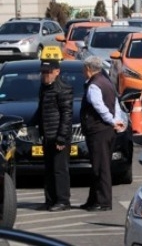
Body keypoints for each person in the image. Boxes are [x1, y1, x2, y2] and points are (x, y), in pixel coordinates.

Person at [80, 56, 125, 212]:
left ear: (88, 69)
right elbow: (116, 104)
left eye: (83, 69)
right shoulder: (107, 82)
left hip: (99, 130)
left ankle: (103, 201)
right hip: (107, 130)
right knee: (98, 165)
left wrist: (112, 121)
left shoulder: (94, 86)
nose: (83, 72)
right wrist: (116, 120)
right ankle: (93, 199)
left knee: (101, 167)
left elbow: (100, 107)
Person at [37, 46, 73, 212]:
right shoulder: (44, 88)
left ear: (57, 71)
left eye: (49, 72)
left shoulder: (63, 89)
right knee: (49, 170)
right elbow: (41, 111)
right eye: (43, 72)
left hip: (59, 137)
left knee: (60, 170)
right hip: (47, 135)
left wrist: (61, 138)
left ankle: (63, 200)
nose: (46, 75)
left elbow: (67, 115)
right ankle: (50, 200)